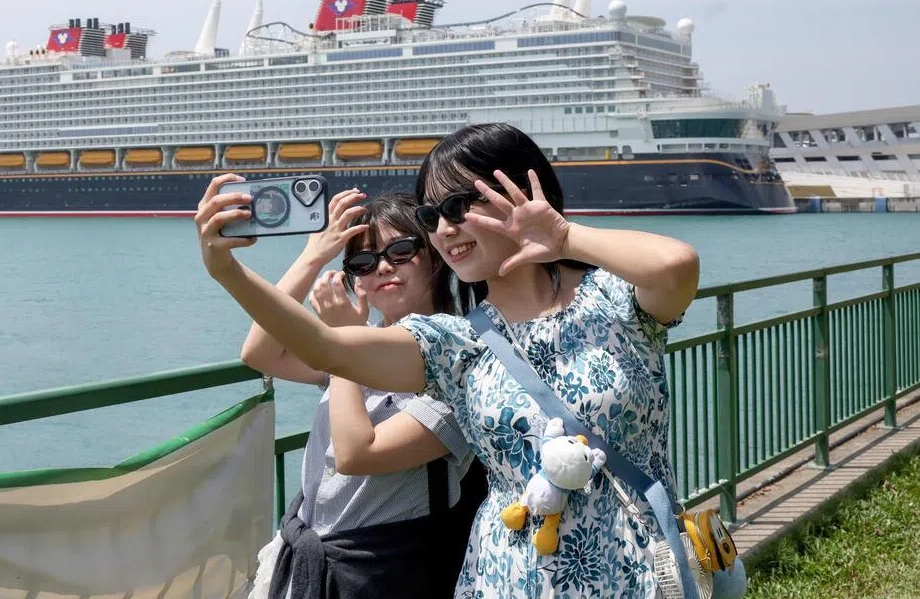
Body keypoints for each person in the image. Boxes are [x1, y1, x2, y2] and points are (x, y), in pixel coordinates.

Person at [197, 123, 700, 598]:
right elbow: (323, 349)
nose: (444, 227)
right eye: (431, 215)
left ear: (524, 190)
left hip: (637, 569)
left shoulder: (614, 300)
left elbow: (676, 266)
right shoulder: (455, 341)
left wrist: (563, 237)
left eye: (459, 205)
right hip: (507, 576)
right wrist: (227, 271)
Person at [240, 189, 481, 599]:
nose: (382, 268)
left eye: (401, 251)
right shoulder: (362, 345)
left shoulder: (461, 358)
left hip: (386, 570)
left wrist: (339, 343)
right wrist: (312, 256)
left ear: (437, 254)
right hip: (315, 563)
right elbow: (260, 353)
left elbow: (357, 455)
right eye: (363, 262)